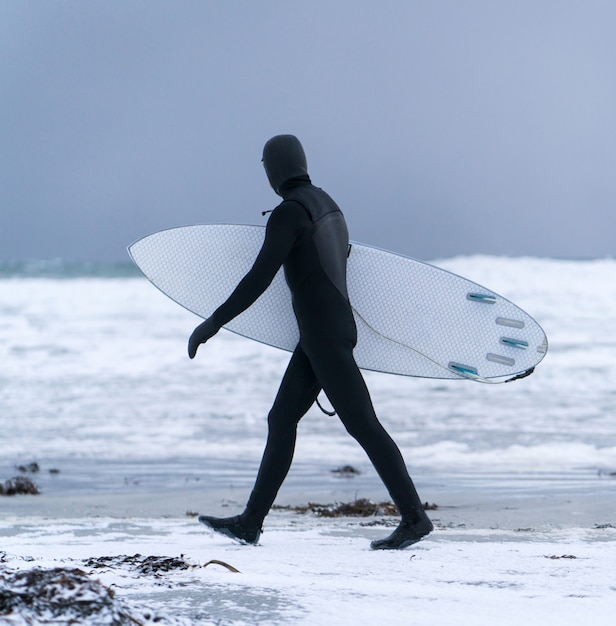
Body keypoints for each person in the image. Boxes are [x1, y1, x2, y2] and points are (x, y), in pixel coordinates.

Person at [188, 135, 433, 550]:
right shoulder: (328, 204)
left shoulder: (288, 213)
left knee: (365, 426)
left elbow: (259, 278)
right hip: (328, 330)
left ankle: (414, 518)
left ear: (273, 169)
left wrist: (213, 322)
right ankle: (250, 522)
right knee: (281, 419)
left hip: (323, 335)